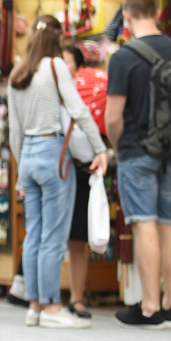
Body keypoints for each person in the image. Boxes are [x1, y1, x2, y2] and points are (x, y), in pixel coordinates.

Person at [8, 16, 107, 330]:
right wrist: (100, 149)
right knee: (54, 235)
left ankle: (34, 306)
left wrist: (21, 169)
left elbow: (13, 131)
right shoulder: (55, 67)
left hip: (27, 157)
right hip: (53, 153)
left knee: (34, 234)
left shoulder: (18, 73)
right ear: (57, 40)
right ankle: (51, 306)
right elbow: (78, 110)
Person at [106, 0, 171, 330]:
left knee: (144, 224)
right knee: (170, 225)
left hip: (137, 150)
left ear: (126, 16)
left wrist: (117, 146)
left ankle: (149, 307)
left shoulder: (123, 57)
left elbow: (113, 117)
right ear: (157, 12)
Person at [61, 45, 110, 319]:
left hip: (82, 170)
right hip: (55, 168)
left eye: (66, 61)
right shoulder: (50, 89)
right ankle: (42, 298)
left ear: (79, 66)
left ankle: (77, 298)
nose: (61, 65)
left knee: (78, 237)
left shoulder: (94, 93)